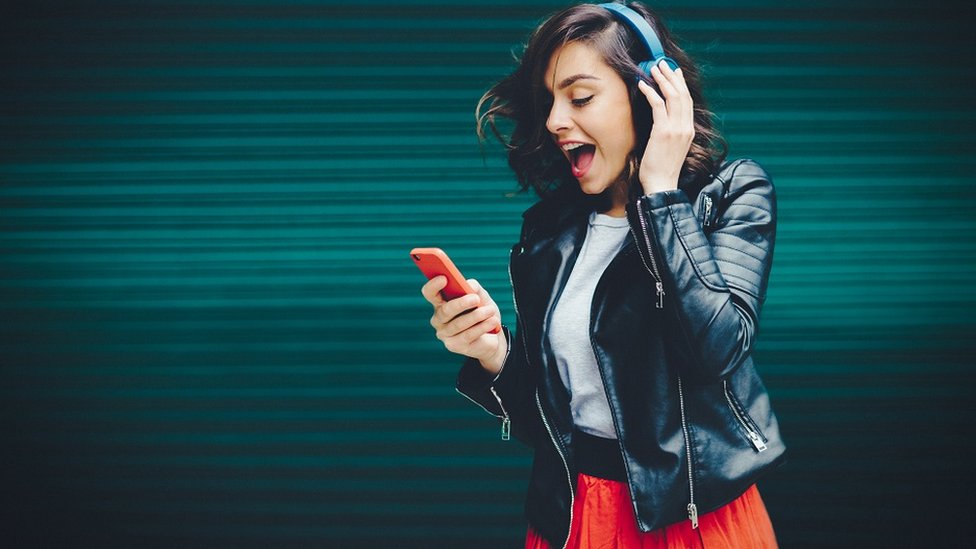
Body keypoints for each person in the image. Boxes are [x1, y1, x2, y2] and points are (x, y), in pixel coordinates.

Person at [420, 2, 786, 547]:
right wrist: (494, 353)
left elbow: (714, 349)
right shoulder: (551, 230)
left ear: (653, 96)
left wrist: (660, 193)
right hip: (572, 517)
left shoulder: (731, 196)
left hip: (692, 524)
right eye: (549, 101)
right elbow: (552, 424)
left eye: (581, 97)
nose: (553, 120)